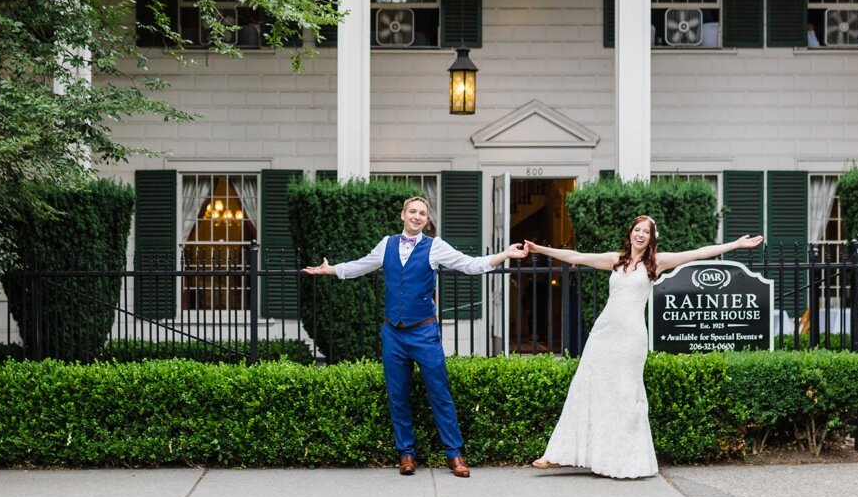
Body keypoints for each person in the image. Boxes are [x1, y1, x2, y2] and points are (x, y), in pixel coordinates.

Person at [522, 216, 764, 478]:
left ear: (651, 238)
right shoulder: (616, 260)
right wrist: (540, 249)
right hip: (604, 335)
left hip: (631, 338)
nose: (640, 235)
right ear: (630, 234)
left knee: (626, 394)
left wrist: (735, 245)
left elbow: (697, 253)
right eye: (637, 230)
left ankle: (622, 461)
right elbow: (576, 257)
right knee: (587, 387)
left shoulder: (656, 262)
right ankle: (559, 453)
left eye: (645, 232)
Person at [304, 195, 526, 477]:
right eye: (413, 211)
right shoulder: (387, 244)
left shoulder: (435, 247)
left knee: (440, 392)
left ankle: (454, 454)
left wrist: (504, 255)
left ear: (426, 219)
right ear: (403, 215)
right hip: (393, 333)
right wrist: (330, 270)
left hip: (424, 332)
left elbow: (470, 265)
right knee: (398, 395)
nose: (417, 216)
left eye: (422, 213)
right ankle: (406, 454)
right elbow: (362, 265)